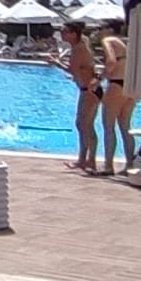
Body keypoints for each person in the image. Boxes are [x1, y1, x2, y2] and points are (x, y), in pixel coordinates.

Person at [50, 21, 101, 172]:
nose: (62, 34)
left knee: (84, 125)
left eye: (65, 32)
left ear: (73, 34)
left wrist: (56, 63)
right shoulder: (80, 46)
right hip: (88, 90)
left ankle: (85, 160)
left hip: (89, 91)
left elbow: (72, 70)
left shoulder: (79, 49)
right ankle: (88, 160)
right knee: (85, 125)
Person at [98, 19, 137, 175]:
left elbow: (111, 62)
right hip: (130, 87)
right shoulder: (124, 43)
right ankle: (130, 165)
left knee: (108, 126)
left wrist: (99, 78)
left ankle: (108, 166)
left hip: (116, 85)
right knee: (126, 127)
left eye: (100, 28)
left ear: (108, 29)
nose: (98, 32)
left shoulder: (108, 40)